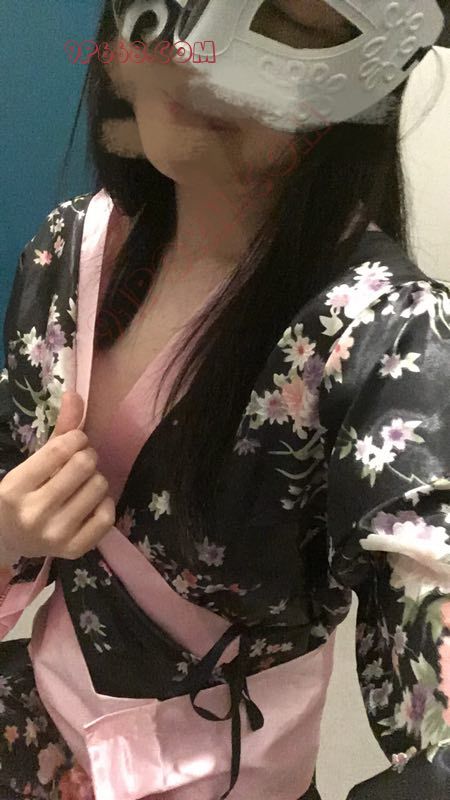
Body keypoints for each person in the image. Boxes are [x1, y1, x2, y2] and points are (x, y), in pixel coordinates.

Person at [1, 1, 449, 798]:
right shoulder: (66, 250)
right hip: (41, 734)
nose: (196, 54)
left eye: (288, 19)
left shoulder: (388, 334)